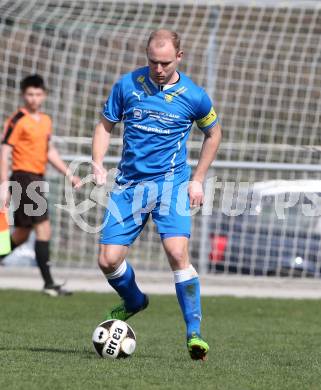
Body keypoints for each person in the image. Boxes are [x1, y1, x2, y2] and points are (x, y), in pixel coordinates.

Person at [92, 30, 222, 360]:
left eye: (165, 62)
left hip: (171, 185)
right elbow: (105, 125)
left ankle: (194, 333)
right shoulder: (127, 85)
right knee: (107, 260)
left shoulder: (194, 96)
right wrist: (97, 164)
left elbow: (214, 133)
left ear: (180, 56)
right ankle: (135, 300)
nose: (158, 68)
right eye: (153, 61)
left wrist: (198, 179)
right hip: (130, 185)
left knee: (177, 252)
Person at [0, 74, 80, 296]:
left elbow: (49, 152)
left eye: (37, 94)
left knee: (22, 234)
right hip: (24, 177)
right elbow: (5, 151)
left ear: (44, 95)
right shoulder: (17, 119)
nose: (33, 98)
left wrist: (68, 174)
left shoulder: (45, 120)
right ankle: (49, 284)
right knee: (44, 228)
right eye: (29, 94)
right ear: (23, 95)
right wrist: (4, 183)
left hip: (37, 177)